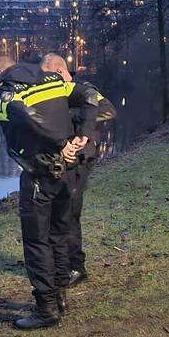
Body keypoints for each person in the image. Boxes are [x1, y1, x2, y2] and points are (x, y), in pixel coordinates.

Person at [0, 53, 99, 329]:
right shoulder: (52, 81)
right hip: (68, 172)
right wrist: (82, 134)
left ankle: (45, 308)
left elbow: (22, 117)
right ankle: (59, 297)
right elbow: (91, 95)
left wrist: (59, 143)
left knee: (36, 240)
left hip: (40, 172)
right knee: (59, 234)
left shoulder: (6, 92)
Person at [39, 53, 117, 287]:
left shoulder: (83, 88)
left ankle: (76, 266)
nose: (45, 81)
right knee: (57, 213)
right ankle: (59, 262)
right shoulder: (51, 91)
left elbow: (108, 110)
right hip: (62, 158)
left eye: (49, 76)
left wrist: (74, 120)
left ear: (61, 72)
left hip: (81, 159)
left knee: (70, 213)